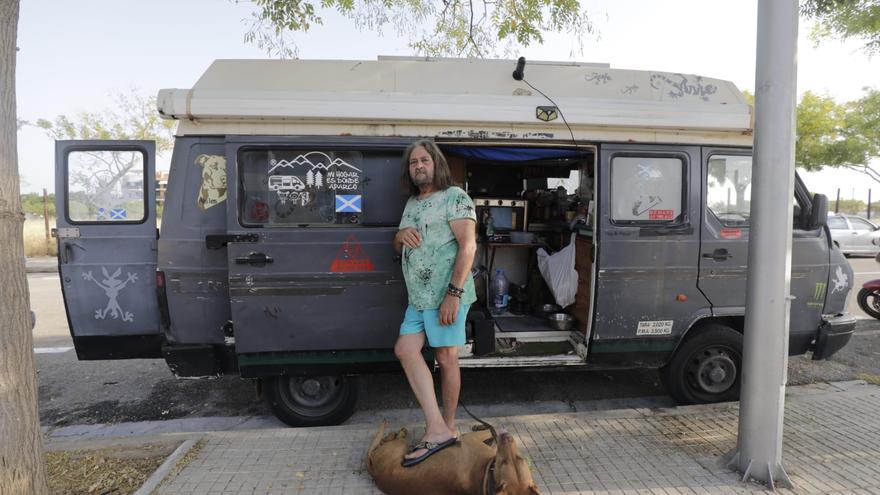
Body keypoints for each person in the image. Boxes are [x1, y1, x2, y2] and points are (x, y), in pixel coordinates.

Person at [393, 140, 477, 467]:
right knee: (405, 349)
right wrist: (400, 238)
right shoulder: (413, 203)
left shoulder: (455, 197)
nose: (418, 166)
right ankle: (438, 426)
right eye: (413, 162)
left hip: (445, 294)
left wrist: (453, 295)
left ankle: (448, 426)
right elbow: (397, 244)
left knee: (445, 357)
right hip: (418, 297)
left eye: (424, 160)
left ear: (436, 163)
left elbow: (468, 246)